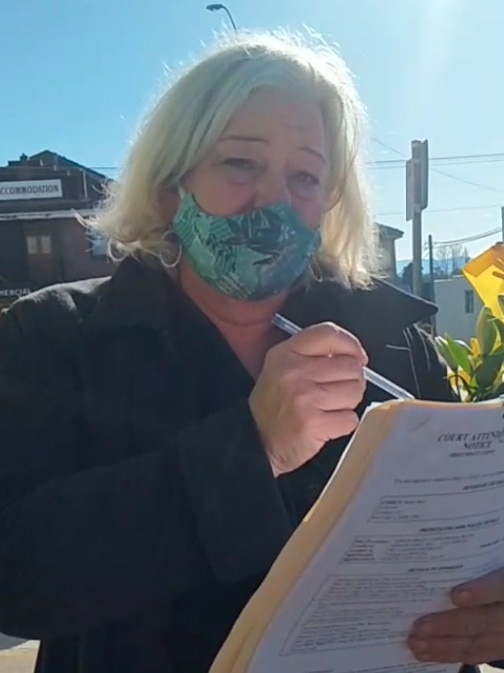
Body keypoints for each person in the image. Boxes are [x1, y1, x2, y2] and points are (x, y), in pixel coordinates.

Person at [0, 31, 502, 673]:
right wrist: (252, 447)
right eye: (241, 163)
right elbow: (17, 577)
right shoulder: (57, 338)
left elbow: (467, 541)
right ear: (169, 188)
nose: (275, 200)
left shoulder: (397, 347)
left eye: (305, 176)